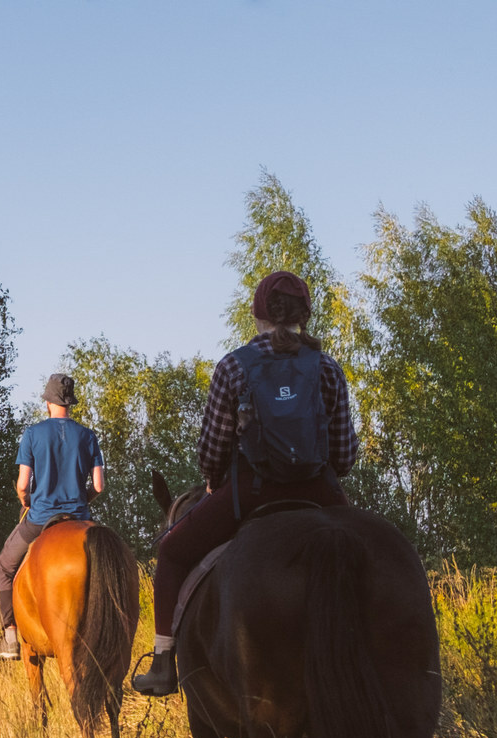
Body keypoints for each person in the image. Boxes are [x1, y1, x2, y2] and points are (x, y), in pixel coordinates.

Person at [131, 270, 358, 696]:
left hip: (252, 494)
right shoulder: (327, 368)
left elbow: (211, 453)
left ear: (257, 316)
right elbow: (343, 457)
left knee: (172, 552)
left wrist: (215, 483)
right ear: (304, 316)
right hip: (321, 494)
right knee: (370, 557)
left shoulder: (233, 367)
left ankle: (163, 663)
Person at [0, 373, 106, 660]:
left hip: (41, 518)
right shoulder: (88, 436)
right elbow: (100, 486)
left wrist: (26, 500)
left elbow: (21, 484)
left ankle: (11, 638)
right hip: (81, 518)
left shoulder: (33, 434)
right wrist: (83, 500)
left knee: (3, 568)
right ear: (70, 402)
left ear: (48, 402)